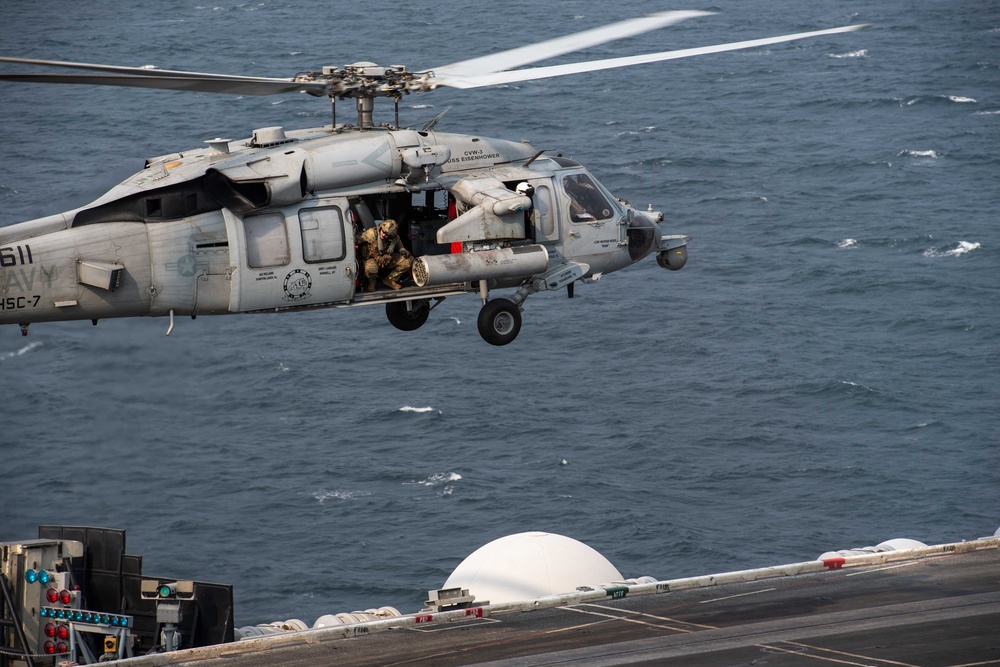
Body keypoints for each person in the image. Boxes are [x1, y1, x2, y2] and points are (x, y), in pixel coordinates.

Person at [358, 219, 412, 291]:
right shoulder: (371, 234)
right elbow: (357, 239)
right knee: (371, 268)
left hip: (387, 260)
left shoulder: (394, 238)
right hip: (371, 259)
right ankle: (371, 282)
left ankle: (390, 279)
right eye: (383, 232)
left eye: (387, 235)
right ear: (381, 228)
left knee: (408, 260)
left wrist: (403, 251)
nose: (384, 235)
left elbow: (399, 246)